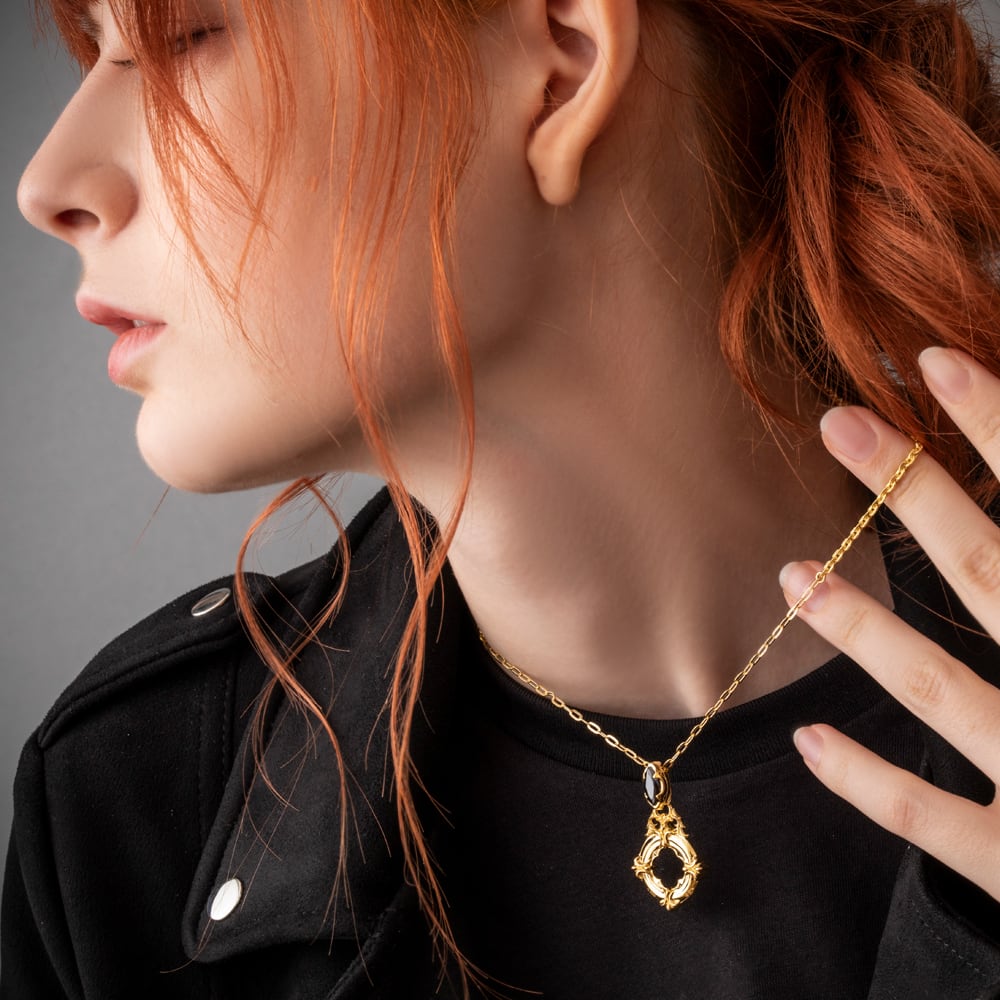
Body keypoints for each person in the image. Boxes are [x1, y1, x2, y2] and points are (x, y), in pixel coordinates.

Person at [3, 0, 1000, 996]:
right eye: (100, 51)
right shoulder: (128, 806)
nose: (45, 183)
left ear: (564, 67)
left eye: (184, 37)